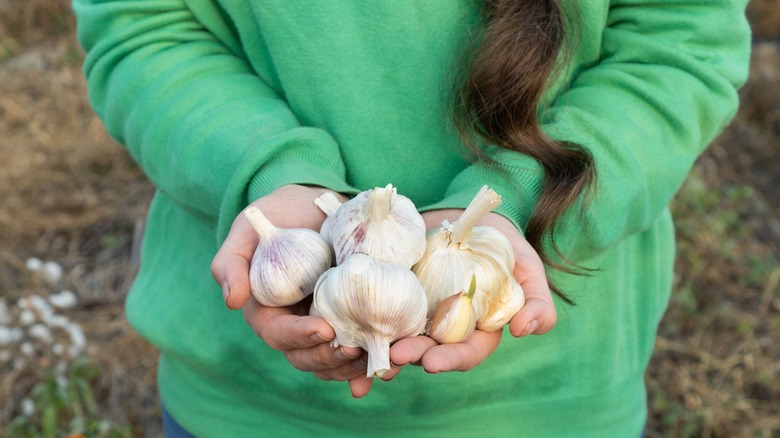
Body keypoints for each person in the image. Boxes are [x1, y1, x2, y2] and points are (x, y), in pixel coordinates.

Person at [73, 0, 751, 436]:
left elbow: (677, 48)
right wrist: (273, 174)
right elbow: (144, 29)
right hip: (246, 406)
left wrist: (513, 196)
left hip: (550, 402)